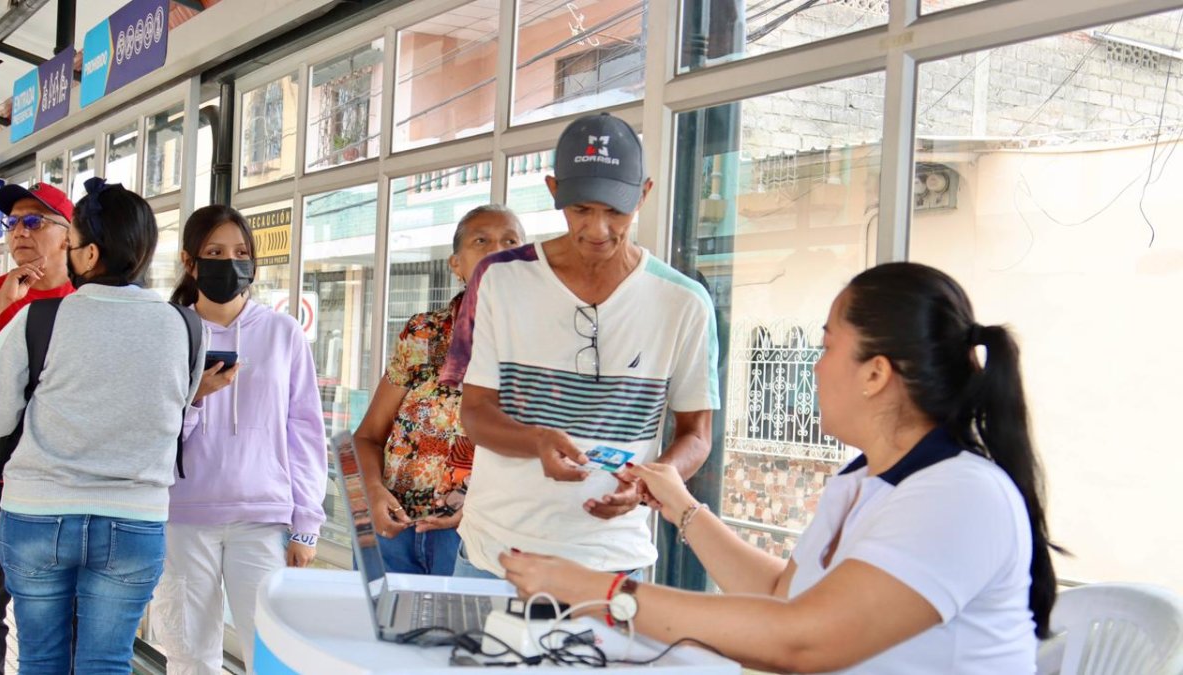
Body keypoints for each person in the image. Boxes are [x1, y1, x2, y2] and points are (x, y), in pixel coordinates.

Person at [500, 262, 1060, 674]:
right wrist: (682, 507)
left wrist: (593, 588)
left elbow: (802, 639)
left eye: (828, 346)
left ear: (875, 374)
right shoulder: (862, 480)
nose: (815, 368)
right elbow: (784, 595)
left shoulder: (959, 496)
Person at [440, 113, 720, 580]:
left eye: (616, 211)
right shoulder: (500, 279)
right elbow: (475, 413)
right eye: (581, 209)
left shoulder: (684, 303)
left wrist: (651, 486)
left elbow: (697, 435)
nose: (597, 229)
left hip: (614, 565)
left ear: (644, 194)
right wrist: (535, 440)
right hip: (495, 557)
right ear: (554, 190)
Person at [0, 178, 204, 674]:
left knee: (41, 659)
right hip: (134, 518)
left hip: (37, 514)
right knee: (105, 661)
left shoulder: (38, 319)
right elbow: (177, 413)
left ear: (88, 253)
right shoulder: (187, 327)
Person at [150, 204, 326, 674]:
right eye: (214, 252)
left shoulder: (283, 332)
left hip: (264, 519)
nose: (229, 262)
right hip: (182, 517)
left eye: (241, 252)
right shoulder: (170, 331)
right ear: (189, 261)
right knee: (189, 656)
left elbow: (305, 430)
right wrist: (196, 397)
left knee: (272, 654)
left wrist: (306, 522)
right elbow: (150, 429)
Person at [353, 204, 526, 576]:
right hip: (393, 531)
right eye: (481, 241)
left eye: (510, 242)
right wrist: (373, 491)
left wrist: (479, 505)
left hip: (475, 538)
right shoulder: (423, 334)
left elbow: (539, 454)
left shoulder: (539, 346)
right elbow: (367, 436)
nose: (496, 251)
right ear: (456, 264)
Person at [0, 182, 75, 675]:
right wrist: (2, 299)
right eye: (12, 222)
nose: (19, 231)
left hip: (54, 481)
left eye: (34, 221)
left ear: (69, 236)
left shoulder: (85, 302)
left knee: (54, 615)